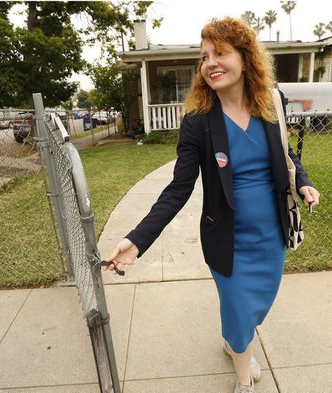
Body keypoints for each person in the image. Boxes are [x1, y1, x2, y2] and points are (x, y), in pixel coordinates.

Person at [103, 17, 320, 393]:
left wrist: (303, 182)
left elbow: (285, 154)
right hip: (227, 242)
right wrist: (137, 240)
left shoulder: (271, 102)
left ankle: (235, 342)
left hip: (270, 237)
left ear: (245, 57)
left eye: (220, 53)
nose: (210, 63)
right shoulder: (198, 122)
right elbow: (178, 189)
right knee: (238, 310)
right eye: (204, 57)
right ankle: (243, 381)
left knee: (255, 309)